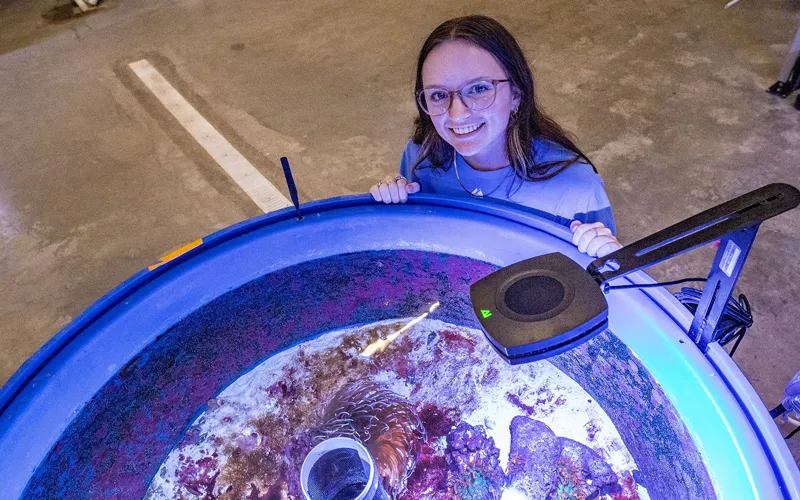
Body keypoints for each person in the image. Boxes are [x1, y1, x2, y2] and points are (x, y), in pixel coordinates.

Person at [369, 15, 621, 258]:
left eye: (478, 89)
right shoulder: (420, 156)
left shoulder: (576, 189)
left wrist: (607, 253)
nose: (456, 114)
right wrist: (394, 197)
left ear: (516, 95)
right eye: (438, 95)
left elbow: (601, 281)